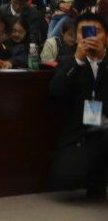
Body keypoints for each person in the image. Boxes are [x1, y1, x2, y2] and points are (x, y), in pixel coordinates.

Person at [48, 12, 108, 199]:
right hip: (81, 135)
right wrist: (78, 60)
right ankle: (95, 178)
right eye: (85, 32)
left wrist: (104, 60)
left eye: (96, 32)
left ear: (106, 37)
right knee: (65, 177)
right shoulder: (68, 61)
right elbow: (55, 91)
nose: (90, 37)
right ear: (77, 37)